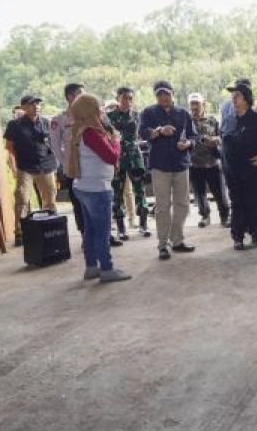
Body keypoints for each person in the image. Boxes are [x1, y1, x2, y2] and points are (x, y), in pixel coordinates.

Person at [66, 93, 131, 283]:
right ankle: (107, 268)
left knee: (91, 230)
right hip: (96, 189)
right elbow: (111, 157)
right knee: (102, 231)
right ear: (90, 110)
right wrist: (116, 142)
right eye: (99, 107)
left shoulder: (80, 129)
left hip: (84, 187)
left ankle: (91, 267)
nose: (102, 111)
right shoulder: (91, 132)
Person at [139, 81, 195, 261]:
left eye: (167, 93)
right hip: (160, 166)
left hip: (181, 164)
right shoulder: (148, 112)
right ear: (156, 96)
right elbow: (142, 133)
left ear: (173, 93)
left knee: (183, 205)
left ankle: (177, 240)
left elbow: (193, 136)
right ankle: (163, 245)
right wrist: (159, 130)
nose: (163, 97)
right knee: (162, 207)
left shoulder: (184, 113)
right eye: (160, 94)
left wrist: (188, 143)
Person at [222, 79, 257, 251]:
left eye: (237, 95)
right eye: (233, 95)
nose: (233, 98)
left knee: (253, 203)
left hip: (254, 170)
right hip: (233, 171)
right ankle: (238, 238)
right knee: (237, 204)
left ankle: (256, 235)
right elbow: (223, 140)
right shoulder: (228, 119)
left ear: (246, 99)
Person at [3, 94, 58, 244]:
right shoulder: (14, 125)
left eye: (38, 104)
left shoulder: (46, 123)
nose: (37, 107)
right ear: (24, 107)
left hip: (46, 165)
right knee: (22, 198)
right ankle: (20, 232)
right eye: (33, 104)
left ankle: (51, 226)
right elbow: (9, 146)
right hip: (25, 167)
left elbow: (53, 143)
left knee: (50, 197)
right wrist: (19, 159)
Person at [106, 87, 150, 241]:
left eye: (130, 98)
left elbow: (142, 134)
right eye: (124, 98)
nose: (128, 101)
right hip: (117, 158)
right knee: (117, 194)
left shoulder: (138, 116)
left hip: (134, 157)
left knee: (140, 191)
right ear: (118, 99)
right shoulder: (109, 117)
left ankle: (144, 225)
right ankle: (121, 228)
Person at [187, 93, 230, 228]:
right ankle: (205, 216)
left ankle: (224, 216)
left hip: (212, 162)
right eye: (192, 104)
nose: (194, 107)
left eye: (197, 104)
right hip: (194, 163)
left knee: (220, 192)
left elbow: (222, 136)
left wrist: (217, 140)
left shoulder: (212, 120)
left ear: (203, 104)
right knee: (199, 193)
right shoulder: (186, 121)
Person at [51, 83, 87, 238]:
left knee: (96, 199)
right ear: (70, 97)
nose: (84, 97)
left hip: (90, 165)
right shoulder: (59, 119)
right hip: (72, 169)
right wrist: (66, 163)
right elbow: (55, 145)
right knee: (78, 202)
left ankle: (103, 233)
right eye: (80, 94)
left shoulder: (89, 115)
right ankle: (85, 234)